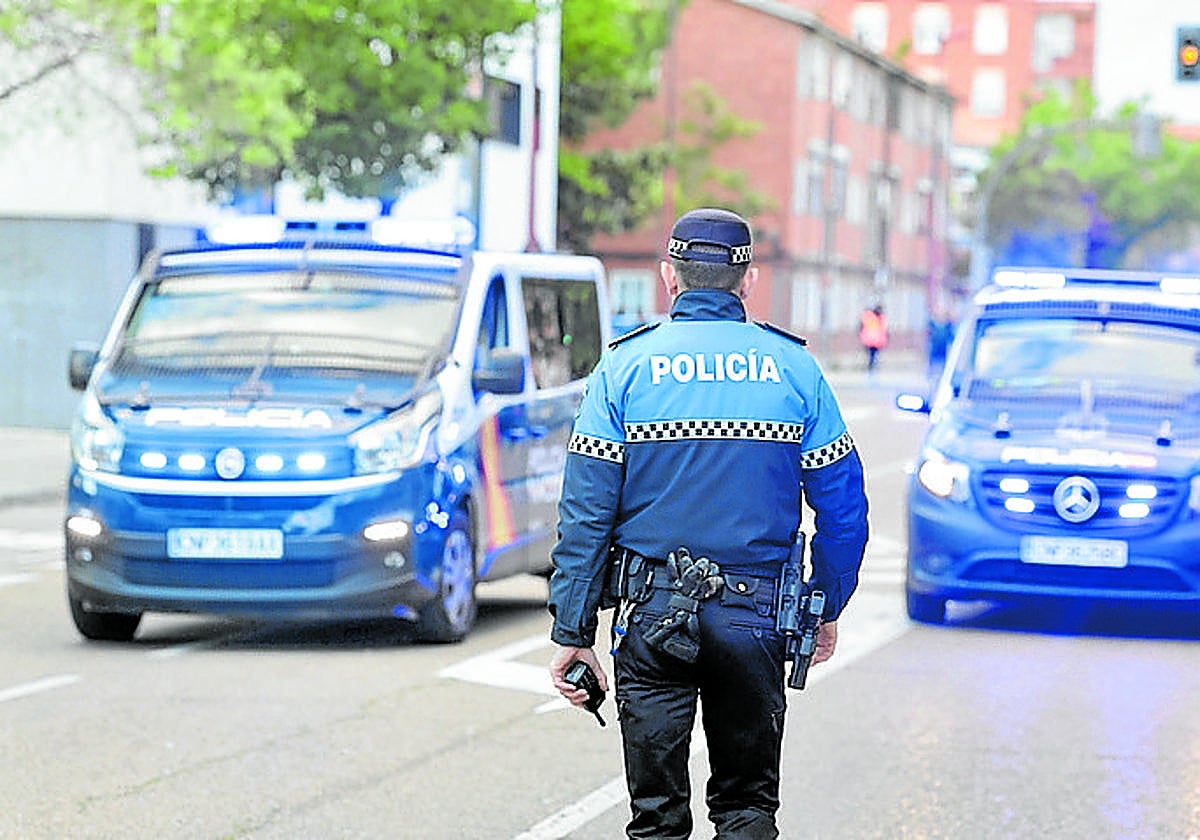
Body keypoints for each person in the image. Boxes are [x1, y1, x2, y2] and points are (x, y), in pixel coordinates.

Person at [547, 207, 870, 839]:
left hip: (650, 615)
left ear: (670, 277)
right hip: (758, 618)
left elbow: (585, 513)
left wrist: (572, 628)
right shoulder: (794, 369)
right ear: (746, 282)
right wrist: (825, 603)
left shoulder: (625, 368)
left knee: (657, 820)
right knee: (747, 807)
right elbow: (845, 509)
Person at [858, 302, 888, 375]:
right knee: (872, 355)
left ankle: (871, 366)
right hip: (872, 340)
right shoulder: (878, 317)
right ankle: (871, 366)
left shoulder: (870, 316)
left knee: (872, 355)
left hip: (872, 340)